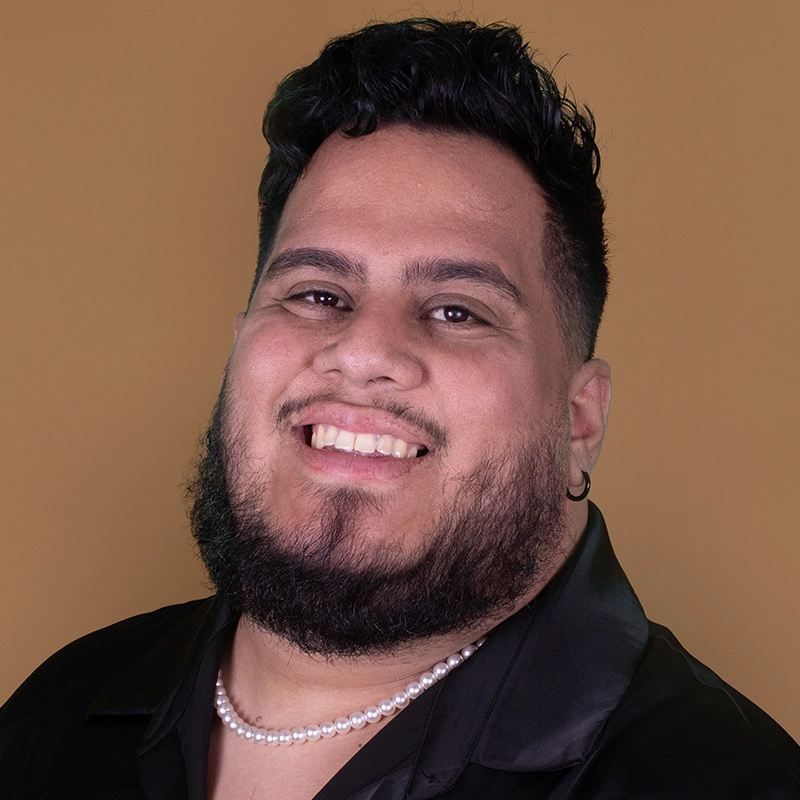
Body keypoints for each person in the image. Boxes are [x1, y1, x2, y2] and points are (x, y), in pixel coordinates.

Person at [1, 17, 798, 800]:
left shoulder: (728, 780)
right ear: (241, 345)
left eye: (458, 310)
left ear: (579, 420)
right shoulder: (57, 711)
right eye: (318, 293)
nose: (364, 351)